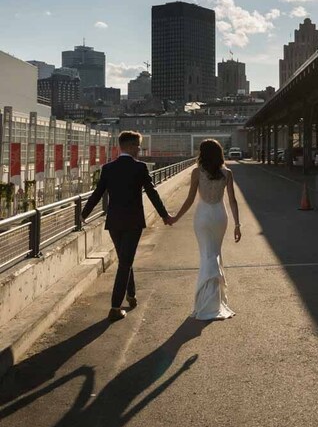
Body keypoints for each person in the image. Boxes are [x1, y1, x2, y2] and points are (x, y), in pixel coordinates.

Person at [81, 130, 173, 322]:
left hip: (114, 222)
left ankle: (131, 295)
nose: (139, 150)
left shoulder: (108, 168)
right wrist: (164, 215)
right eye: (138, 146)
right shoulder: (140, 167)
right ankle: (115, 307)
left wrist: (82, 215)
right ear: (130, 147)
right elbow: (152, 192)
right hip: (133, 222)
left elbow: (98, 193)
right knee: (125, 263)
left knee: (125, 259)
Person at [169, 139, 241, 320]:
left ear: (202, 154)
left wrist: (175, 218)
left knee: (207, 255)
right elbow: (232, 200)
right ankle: (214, 301)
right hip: (220, 216)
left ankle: (207, 304)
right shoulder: (227, 173)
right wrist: (237, 224)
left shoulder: (197, 172)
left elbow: (190, 199)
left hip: (202, 217)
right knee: (215, 253)